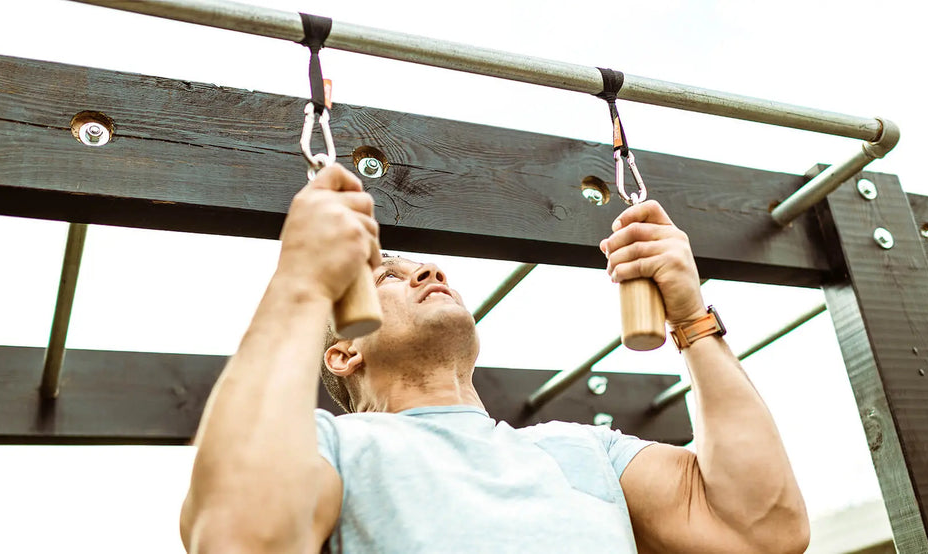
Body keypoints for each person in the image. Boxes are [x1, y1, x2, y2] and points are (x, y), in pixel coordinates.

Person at [178, 165, 810, 554]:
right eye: (388, 274)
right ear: (342, 353)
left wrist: (692, 319)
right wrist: (300, 282)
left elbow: (762, 530)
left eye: (421, 264)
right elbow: (237, 537)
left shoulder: (585, 453)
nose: (427, 268)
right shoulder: (329, 448)